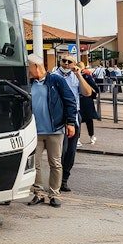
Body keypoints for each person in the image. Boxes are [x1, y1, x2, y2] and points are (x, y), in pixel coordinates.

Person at [26, 54, 77, 208]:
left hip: (55, 130)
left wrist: (70, 123)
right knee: (35, 164)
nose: (27, 71)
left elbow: (70, 101)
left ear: (36, 66)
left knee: (55, 163)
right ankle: (38, 193)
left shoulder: (56, 81)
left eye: (28, 68)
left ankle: (54, 194)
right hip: (35, 131)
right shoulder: (29, 83)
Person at [52, 55, 93, 192]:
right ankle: (56, 181)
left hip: (74, 117)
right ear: (60, 61)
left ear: (74, 64)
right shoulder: (53, 76)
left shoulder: (76, 76)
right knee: (60, 151)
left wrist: (79, 75)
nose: (66, 63)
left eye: (70, 62)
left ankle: (64, 180)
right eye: (64, 61)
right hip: (58, 118)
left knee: (70, 151)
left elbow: (87, 93)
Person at [78, 65, 101, 146]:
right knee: (89, 119)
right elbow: (95, 87)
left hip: (77, 100)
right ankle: (91, 136)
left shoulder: (72, 77)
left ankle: (77, 139)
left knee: (78, 120)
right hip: (87, 100)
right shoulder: (86, 77)